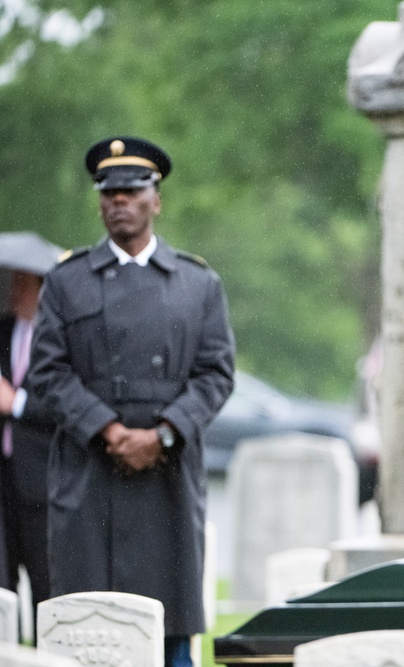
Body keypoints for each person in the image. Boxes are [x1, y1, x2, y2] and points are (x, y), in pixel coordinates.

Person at [29, 136, 235, 667]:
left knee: (171, 635)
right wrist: (107, 430)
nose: (119, 201)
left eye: (131, 190)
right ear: (100, 201)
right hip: (89, 472)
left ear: (155, 199)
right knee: (84, 628)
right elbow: (48, 372)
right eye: (109, 192)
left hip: (165, 476)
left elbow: (216, 373)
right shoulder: (66, 281)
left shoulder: (197, 283)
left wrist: (163, 433)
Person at [0, 267, 57, 620]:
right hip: (3, 478)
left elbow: (66, 404)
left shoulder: (56, 338)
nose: (14, 291)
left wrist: (15, 402)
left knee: (44, 582)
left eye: (23, 285)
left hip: (40, 481)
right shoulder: (3, 329)